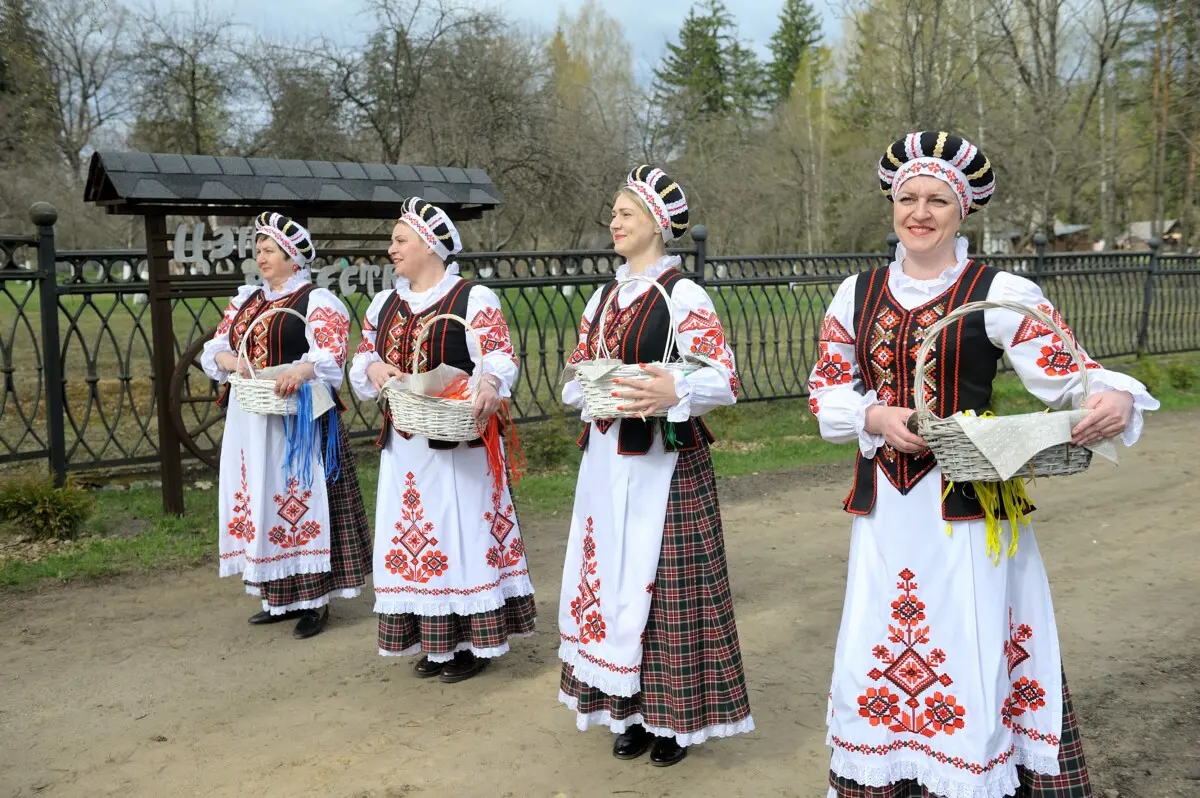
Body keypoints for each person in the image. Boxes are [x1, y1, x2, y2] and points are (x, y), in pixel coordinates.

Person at [809, 131, 1160, 797]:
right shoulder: (854, 294)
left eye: (937, 199)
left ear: (962, 209)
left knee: (971, 642)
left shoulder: (998, 291)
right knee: (880, 643)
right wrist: (879, 418)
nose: (920, 211)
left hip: (969, 510)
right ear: (892, 203)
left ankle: (976, 775)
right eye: (908, 197)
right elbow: (828, 391)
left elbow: (1070, 375)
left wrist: (1111, 397)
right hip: (887, 508)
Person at [557, 165, 754, 767]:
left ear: (657, 224)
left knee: (667, 588)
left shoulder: (682, 294)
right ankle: (629, 709)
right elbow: (576, 372)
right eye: (614, 214)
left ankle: (674, 718)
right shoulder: (602, 297)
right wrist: (587, 388)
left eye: (625, 213)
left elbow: (722, 377)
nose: (613, 222)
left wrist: (676, 390)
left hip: (665, 464)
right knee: (612, 580)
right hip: (606, 459)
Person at [349, 197, 534, 684]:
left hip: (458, 445)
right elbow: (363, 355)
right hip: (406, 444)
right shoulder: (384, 303)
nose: (391, 249)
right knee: (415, 537)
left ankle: (472, 641)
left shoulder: (473, 299)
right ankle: (435, 641)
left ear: (430, 246)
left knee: (460, 536)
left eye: (400, 240)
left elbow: (498, 357)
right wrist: (372, 366)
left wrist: (490, 385)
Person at [202, 212, 371, 639]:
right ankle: (276, 598)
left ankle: (314, 601)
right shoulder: (246, 301)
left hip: (297, 419)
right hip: (251, 416)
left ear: (293, 257)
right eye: (257, 250)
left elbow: (330, 356)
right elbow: (217, 347)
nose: (261, 257)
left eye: (269, 251)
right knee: (261, 498)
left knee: (299, 500)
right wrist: (230, 362)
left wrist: (301, 370)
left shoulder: (316, 301)